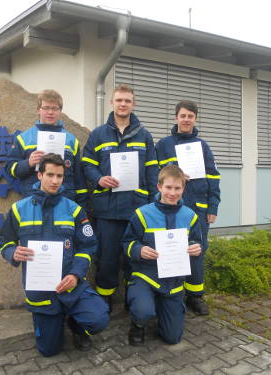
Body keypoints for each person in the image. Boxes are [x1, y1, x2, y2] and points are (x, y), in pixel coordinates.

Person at [0, 153, 109, 357]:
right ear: (39, 175)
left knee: (99, 319)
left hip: (71, 285)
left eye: (60, 176)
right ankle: (54, 321)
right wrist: (13, 252)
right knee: (49, 351)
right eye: (50, 175)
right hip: (41, 291)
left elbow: (88, 246)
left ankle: (75, 324)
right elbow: (4, 242)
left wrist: (75, 274)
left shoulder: (74, 210)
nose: (55, 181)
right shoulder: (19, 209)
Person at [82, 84, 159, 311]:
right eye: (119, 100)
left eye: (127, 100)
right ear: (112, 103)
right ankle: (105, 297)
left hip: (137, 208)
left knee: (134, 258)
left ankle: (134, 298)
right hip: (107, 209)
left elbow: (152, 170)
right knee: (107, 258)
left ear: (133, 104)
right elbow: (87, 163)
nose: (123, 104)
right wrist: (99, 179)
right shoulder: (98, 134)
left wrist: (152, 204)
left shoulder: (144, 136)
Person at [122, 165, 203, 345]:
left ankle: (160, 306)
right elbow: (127, 243)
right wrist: (139, 250)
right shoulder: (142, 213)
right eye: (168, 187)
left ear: (183, 188)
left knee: (172, 338)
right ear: (159, 187)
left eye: (177, 188)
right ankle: (138, 323)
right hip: (146, 276)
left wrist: (196, 248)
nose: (172, 193)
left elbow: (197, 241)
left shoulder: (190, 216)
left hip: (172, 282)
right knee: (143, 311)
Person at [155, 100, 221, 315]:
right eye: (182, 115)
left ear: (195, 119)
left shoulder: (203, 146)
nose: (186, 119)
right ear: (176, 117)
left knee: (197, 252)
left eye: (190, 116)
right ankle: (171, 294)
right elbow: (154, 176)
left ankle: (195, 296)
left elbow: (213, 177)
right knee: (170, 249)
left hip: (198, 209)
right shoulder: (163, 145)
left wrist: (213, 207)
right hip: (170, 208)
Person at [5, 89, 87, 206]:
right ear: (38, 110)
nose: (50, 112)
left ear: (60, 111)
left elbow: (79, 178)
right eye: (46, 108)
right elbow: (10, 169)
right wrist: (28, 163)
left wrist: (82, 208)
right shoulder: (23, 139)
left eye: (55, 108)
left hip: (65, 202)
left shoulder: (71, 140)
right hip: (34, 202)